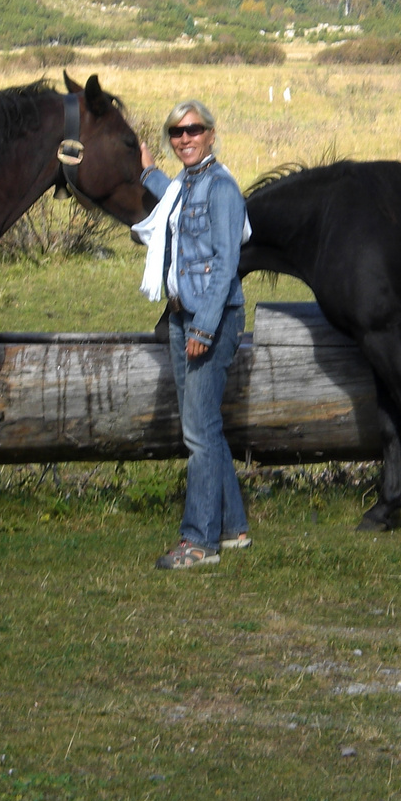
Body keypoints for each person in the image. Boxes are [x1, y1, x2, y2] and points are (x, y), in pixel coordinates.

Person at [132, 100, 252, 569]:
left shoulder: (222, 188)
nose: (184, 139)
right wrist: (147, 171)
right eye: (176, 133)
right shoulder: (185, 184)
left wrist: (204, 325)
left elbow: (226, 264)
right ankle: (232, 527)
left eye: (193, 130)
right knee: (205, 427)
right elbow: (172, 198)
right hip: (182, 316)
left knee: (198, 435)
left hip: (208, 320)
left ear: (211, 134)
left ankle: (199, 542)